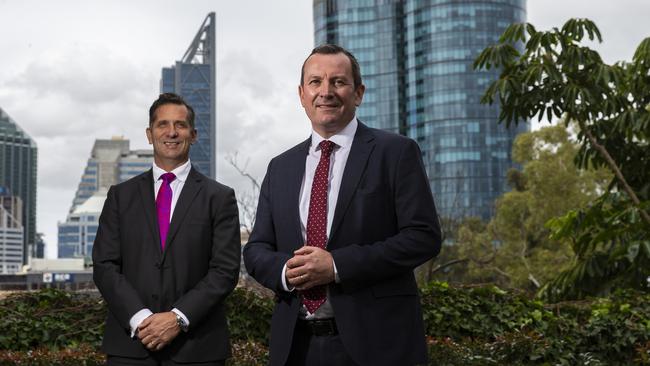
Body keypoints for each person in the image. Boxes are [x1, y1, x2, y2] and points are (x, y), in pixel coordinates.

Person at [243, 44, 442, 366]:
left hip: (378, 345)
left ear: (358, 92)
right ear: (301, 94)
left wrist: (336, 266)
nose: (326, 92)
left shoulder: (395, 152)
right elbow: (256, 248)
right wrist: (285, 271)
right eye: (316, 82)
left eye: (338, 82)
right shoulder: (280, 167)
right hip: (295, 347)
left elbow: (423, 236)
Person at [93, 93, 241, 365]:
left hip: (198, 349)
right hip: (131, 347)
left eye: (180, 125)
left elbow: (225, 270)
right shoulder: (120, 196)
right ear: (149, 134)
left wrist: (177, 318)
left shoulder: (219, 197)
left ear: (193, 134)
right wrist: (140, 319)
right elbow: (104, 265)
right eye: (162, 125)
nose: (171, 132)